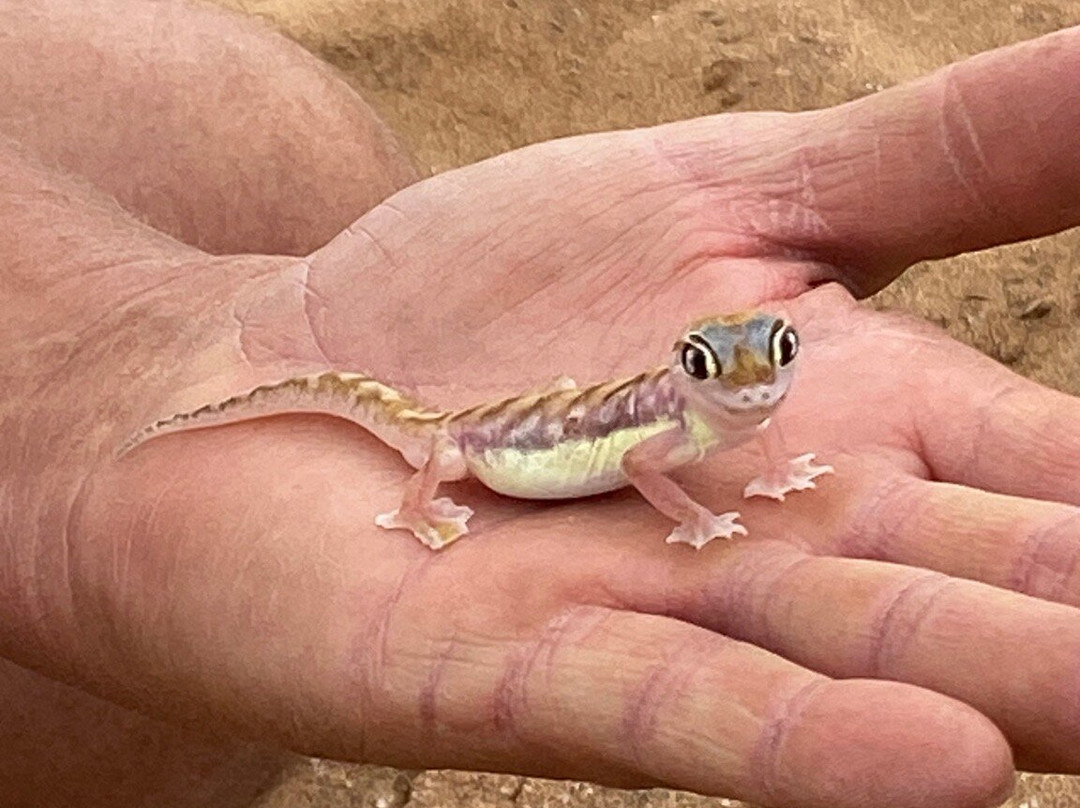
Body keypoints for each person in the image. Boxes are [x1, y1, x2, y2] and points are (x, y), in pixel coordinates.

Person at [3, 2, 1080, 806]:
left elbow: (742, 434)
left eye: (776, 357)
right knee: (426, 442)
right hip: (468, 446)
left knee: (293, 148)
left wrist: (770, 470)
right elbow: (656, 469)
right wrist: (691, 518)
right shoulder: (664, 431)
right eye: (719, 366)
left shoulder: (729, 412)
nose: (754, 384)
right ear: (686, 370)